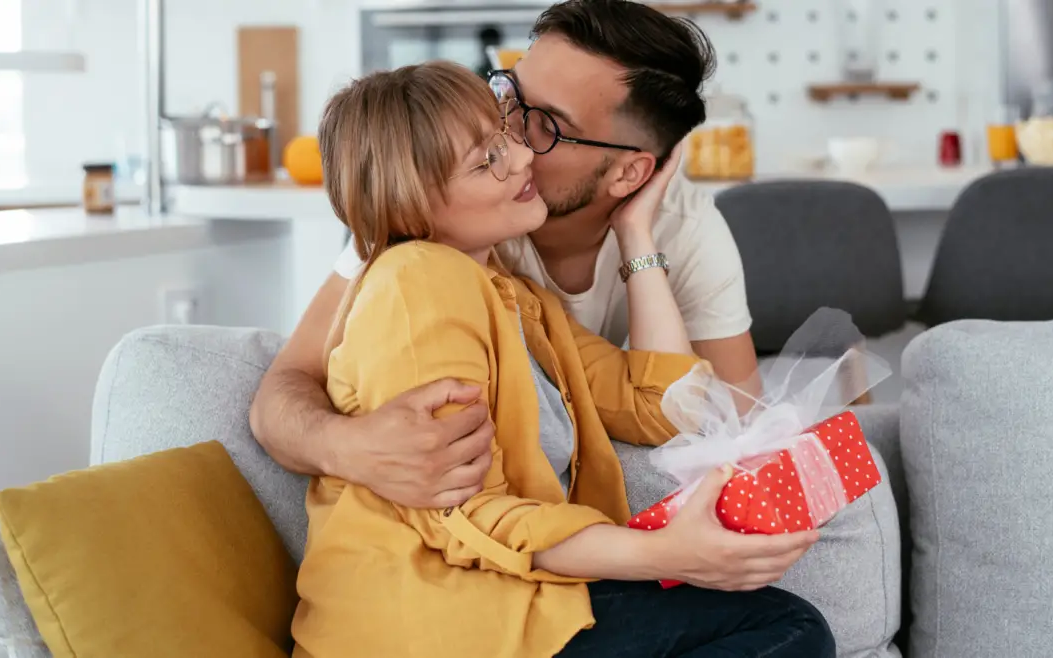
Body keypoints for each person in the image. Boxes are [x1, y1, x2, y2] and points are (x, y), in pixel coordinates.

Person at [291, 59, 832, 658]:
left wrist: (635, 231)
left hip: (504, 606)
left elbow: (664, 408)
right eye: (487, 161)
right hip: (428, 625)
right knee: (789, 631)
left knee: (787, 626)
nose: (524, 157)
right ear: (410, 204)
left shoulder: (515, 298)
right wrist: (662, 554)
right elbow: (462, 514)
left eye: (504, 136)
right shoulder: (415, 284)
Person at [252, 0, 764, 516]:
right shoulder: (447, 209)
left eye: (546, 123)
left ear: (629, 174)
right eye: (510, 92)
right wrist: (354, 449)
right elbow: (285, 388)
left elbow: (729, 430)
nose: (509, 132)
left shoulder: (683, 228)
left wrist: (636, 237)